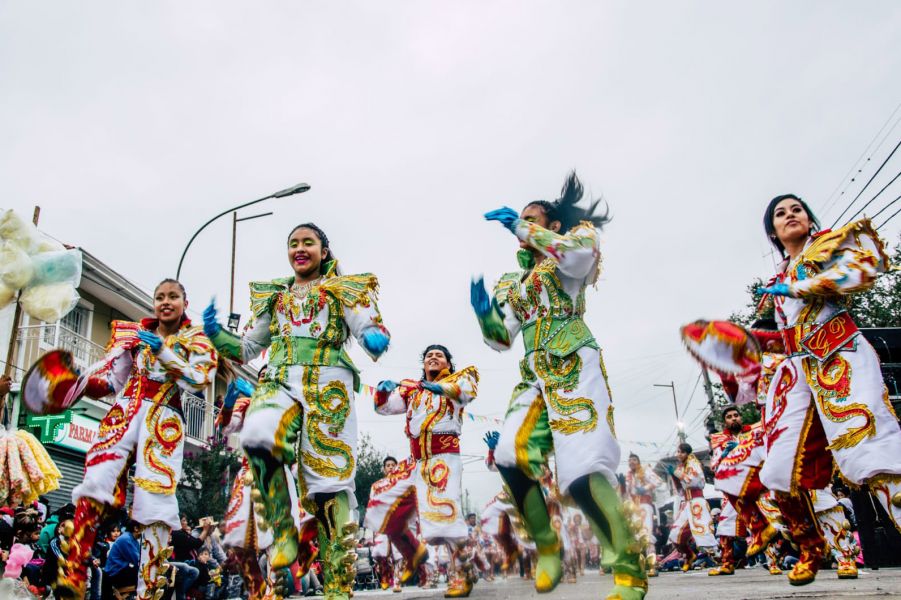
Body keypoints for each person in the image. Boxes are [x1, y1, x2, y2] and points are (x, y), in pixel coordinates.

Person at [472, 172, 646, 600]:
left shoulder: (575, 245)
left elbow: (575, 259)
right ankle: (547, 546)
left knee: (583, 473)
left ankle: (629, 567)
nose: (521, 227)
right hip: (533, 377)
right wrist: (483, 313)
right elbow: (501, 338)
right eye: (519, 221)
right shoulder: (513, 282)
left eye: (531, 220)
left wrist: (519, 225)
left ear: (551, 227)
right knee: (510, 454)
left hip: (573, 366)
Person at [203, 223, 390, 600]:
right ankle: (282, 527)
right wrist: (215, 333)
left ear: (324, 250)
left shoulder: (343, 288)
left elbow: (372, 331)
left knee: (329, 484)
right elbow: (246, 348)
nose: (299, 249)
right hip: (280, 378)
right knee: (256, 436)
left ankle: (337, 584)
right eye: (293, 243)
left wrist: (375, 337)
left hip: (328, 386)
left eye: (308, 242)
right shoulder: (275, 296)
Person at [35, 279, 218, 599]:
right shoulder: (134, 337)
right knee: (96, 481)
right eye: (159, 296)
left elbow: (199, 379)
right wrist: (73, 384)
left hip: (163, 421)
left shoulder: (195, 338)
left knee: (156, 505)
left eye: (172, 296)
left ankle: (151, 591)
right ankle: (74, 568)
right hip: (125, 414)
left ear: (184, 302)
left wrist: (163, 352)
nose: (165, 302)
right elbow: (109, 383)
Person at [756, 196, 901, 584]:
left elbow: (866, 269)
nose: (790, 216)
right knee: (778, 469)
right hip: (800, 371)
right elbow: (788, 333)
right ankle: (811, 546)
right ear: (773, 231)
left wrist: (803, 285)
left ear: (808, 218)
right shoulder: (779, 278)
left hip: (839, 355)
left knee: (871, 451)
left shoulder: (825, 247)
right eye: (780, 214)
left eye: (796, 209)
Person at [366, 344, 480, 597]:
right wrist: (383, 393)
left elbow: (467, 393)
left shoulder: (458, 381)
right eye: (429, 355)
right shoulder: (412, 392)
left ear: (448, 363)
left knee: (444, 514)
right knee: (381, 498)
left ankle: (460, 572)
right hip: (416, 461)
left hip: (444, 459)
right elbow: (382, 409)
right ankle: (413, 552)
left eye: (439, 355)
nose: (433, 358)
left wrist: (439, 387)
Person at [707, 405, 751, 577]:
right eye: (729, 417)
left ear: (741, 417)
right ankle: (727, 563)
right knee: (725, 525)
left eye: (736, 415)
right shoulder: (719, 440)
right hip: (733, 486)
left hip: (756, 484)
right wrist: (726, 453)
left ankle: (774, 562)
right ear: (725, 421)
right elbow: (714, 465)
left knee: (770, 520)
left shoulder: (753, 434)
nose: (733, 418)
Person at [666, 443, 715, 572]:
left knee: (703, 532)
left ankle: (720, 558)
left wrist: (676, 473)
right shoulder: (682, 466)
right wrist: (674, 475)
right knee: (675, 534)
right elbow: (681, 490)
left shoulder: (693, 463)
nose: (679, 454)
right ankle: (689, 555)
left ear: (688, 453)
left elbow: (693, 481)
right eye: (678, 452)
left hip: (697, 501)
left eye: (682, 452)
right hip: (687, 502)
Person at [624, 454, 663, 577]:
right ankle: (637, 566)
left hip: (645, 506)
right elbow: (625, 494)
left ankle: (652, 566)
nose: (632, 462)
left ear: (639, 461)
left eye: (634, 460)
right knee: (634, 537)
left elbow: (658, 481)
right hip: (633, 508)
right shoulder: (628, 476)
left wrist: (645, 488)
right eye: (630, 460)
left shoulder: (645, 470)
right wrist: (621, 486)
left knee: (646, 534)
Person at [102, 520, 141, 599]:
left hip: (121, 569)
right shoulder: (126, 539)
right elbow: (137, 560)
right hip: (114, 573)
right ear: (136, 528)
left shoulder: (133, 540)